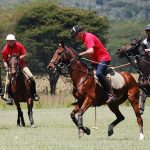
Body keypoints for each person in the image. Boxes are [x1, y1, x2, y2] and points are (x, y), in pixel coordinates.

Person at [71, 25, 115, 105]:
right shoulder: (84, 39)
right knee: (85, 73)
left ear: (80, 33)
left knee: (99, 73)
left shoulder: (88, 37)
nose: (75, 38)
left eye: (75, 35)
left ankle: (111, 94)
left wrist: (82, 54)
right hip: (96, 61)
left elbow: (91, 51)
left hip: (104, 58)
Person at [2, 34, 40, 105]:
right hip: (11, 68)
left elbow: (24, 54)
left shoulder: (19, 46)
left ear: (14, 41)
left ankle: (34, 94)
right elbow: (4, 60)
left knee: (31, 77)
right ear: (7, 41)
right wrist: (6, 67)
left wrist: (19, 58)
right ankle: (10, 97)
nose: (10, 42)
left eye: (12, 41)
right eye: (9, 41)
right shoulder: (5, 50)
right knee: (8, 82)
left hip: (22, 66)